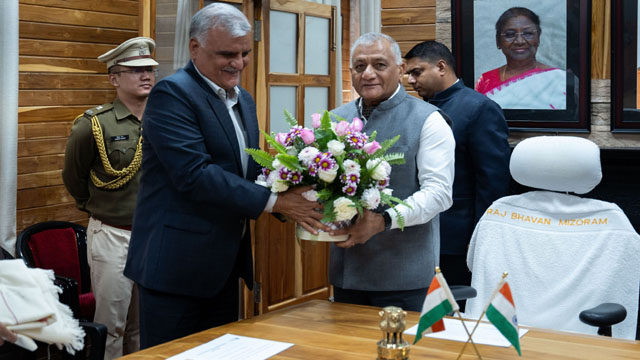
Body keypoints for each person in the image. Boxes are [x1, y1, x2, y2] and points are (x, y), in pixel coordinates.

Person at [123, 3, 328, 348]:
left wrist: (303, 191)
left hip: (223, 268)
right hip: (175, 269)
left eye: (245, 53)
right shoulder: (171, 94)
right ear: (194, 48)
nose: (239, 62)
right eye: (227, 54)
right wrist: (277, 201)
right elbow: (195, 174)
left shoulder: (244, 99)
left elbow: (247, 169)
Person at [329, 33, 455, 312]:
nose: (368, 74)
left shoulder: (428, 120)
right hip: (348, 273)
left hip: (405, 277)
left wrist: (383, 220)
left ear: (400, 70)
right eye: (360, 66)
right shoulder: (336, 119)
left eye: (380, 65)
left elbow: (439, 194)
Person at [62, 37, 158, 359]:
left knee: (144, 325)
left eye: (149, 69)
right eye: (135, 70)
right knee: (112, 326)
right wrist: (101, 209)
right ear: (114, 78)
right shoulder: (93, 126)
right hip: (112, 235)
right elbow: (74, 179)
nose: (145, 75)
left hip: (152, 235)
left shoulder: (163, 119)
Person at [404, 41, 511, 307]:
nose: (410, 80)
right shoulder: (418, 111)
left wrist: (479, 238)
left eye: (417, 72)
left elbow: (492, 183)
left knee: (452, 315)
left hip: (457, 237)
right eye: (408, 74)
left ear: (441, 67)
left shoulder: (480, 109)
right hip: (417, 232)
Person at [475, 7, 566, 110]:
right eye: (510, 34)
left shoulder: (559, 80)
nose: (519, 41)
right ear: (498, 41)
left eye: (528, 34)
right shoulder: (485, 81)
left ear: (538, 38)